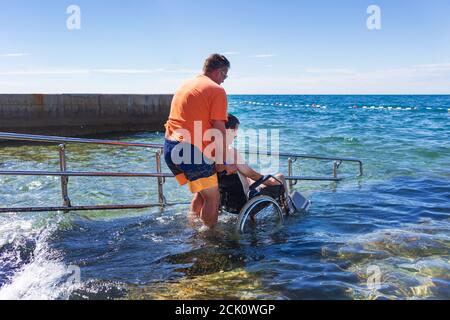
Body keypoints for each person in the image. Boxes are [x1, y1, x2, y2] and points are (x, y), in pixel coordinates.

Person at [164, 54, 237, 229]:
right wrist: (221, 162)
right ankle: (207, 240)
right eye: (225, 76)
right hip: (191, 150)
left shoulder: (186, 85)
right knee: (213, 198)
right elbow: (219, 128)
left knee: (201, 193)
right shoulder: (216, 90)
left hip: (170, 147)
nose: (224, 80)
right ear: (220, 71)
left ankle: (192, 229)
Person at [222, 114, 289, 203]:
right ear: (228, 130)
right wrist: (271, 182)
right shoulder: (231, 152)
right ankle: (287, 207)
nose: (236, 135)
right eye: (235, 130)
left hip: (229, 201)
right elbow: (252, 175)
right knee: (280, 177)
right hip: (248, 197)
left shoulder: (214, 156)